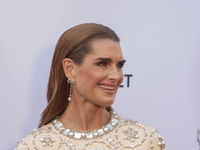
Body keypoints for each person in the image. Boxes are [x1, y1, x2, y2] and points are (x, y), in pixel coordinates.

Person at [15, 23, 167, 150]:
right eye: (102, 64)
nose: (116, 76)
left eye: (119, 65)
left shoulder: (145, 141)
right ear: (70, 69)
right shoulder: (34, 146)